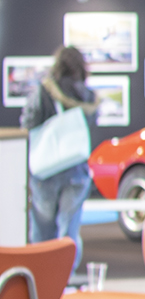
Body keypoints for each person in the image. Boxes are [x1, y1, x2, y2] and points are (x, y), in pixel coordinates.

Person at [22, 46, 98, 262]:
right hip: (76, 170)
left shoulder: (44, 91)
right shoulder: (87, 94)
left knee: (43, 232)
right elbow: (90, 126)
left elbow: (28, 123)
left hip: (45, 171)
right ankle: (65, 280)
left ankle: (42, 280)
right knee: (69, 232)